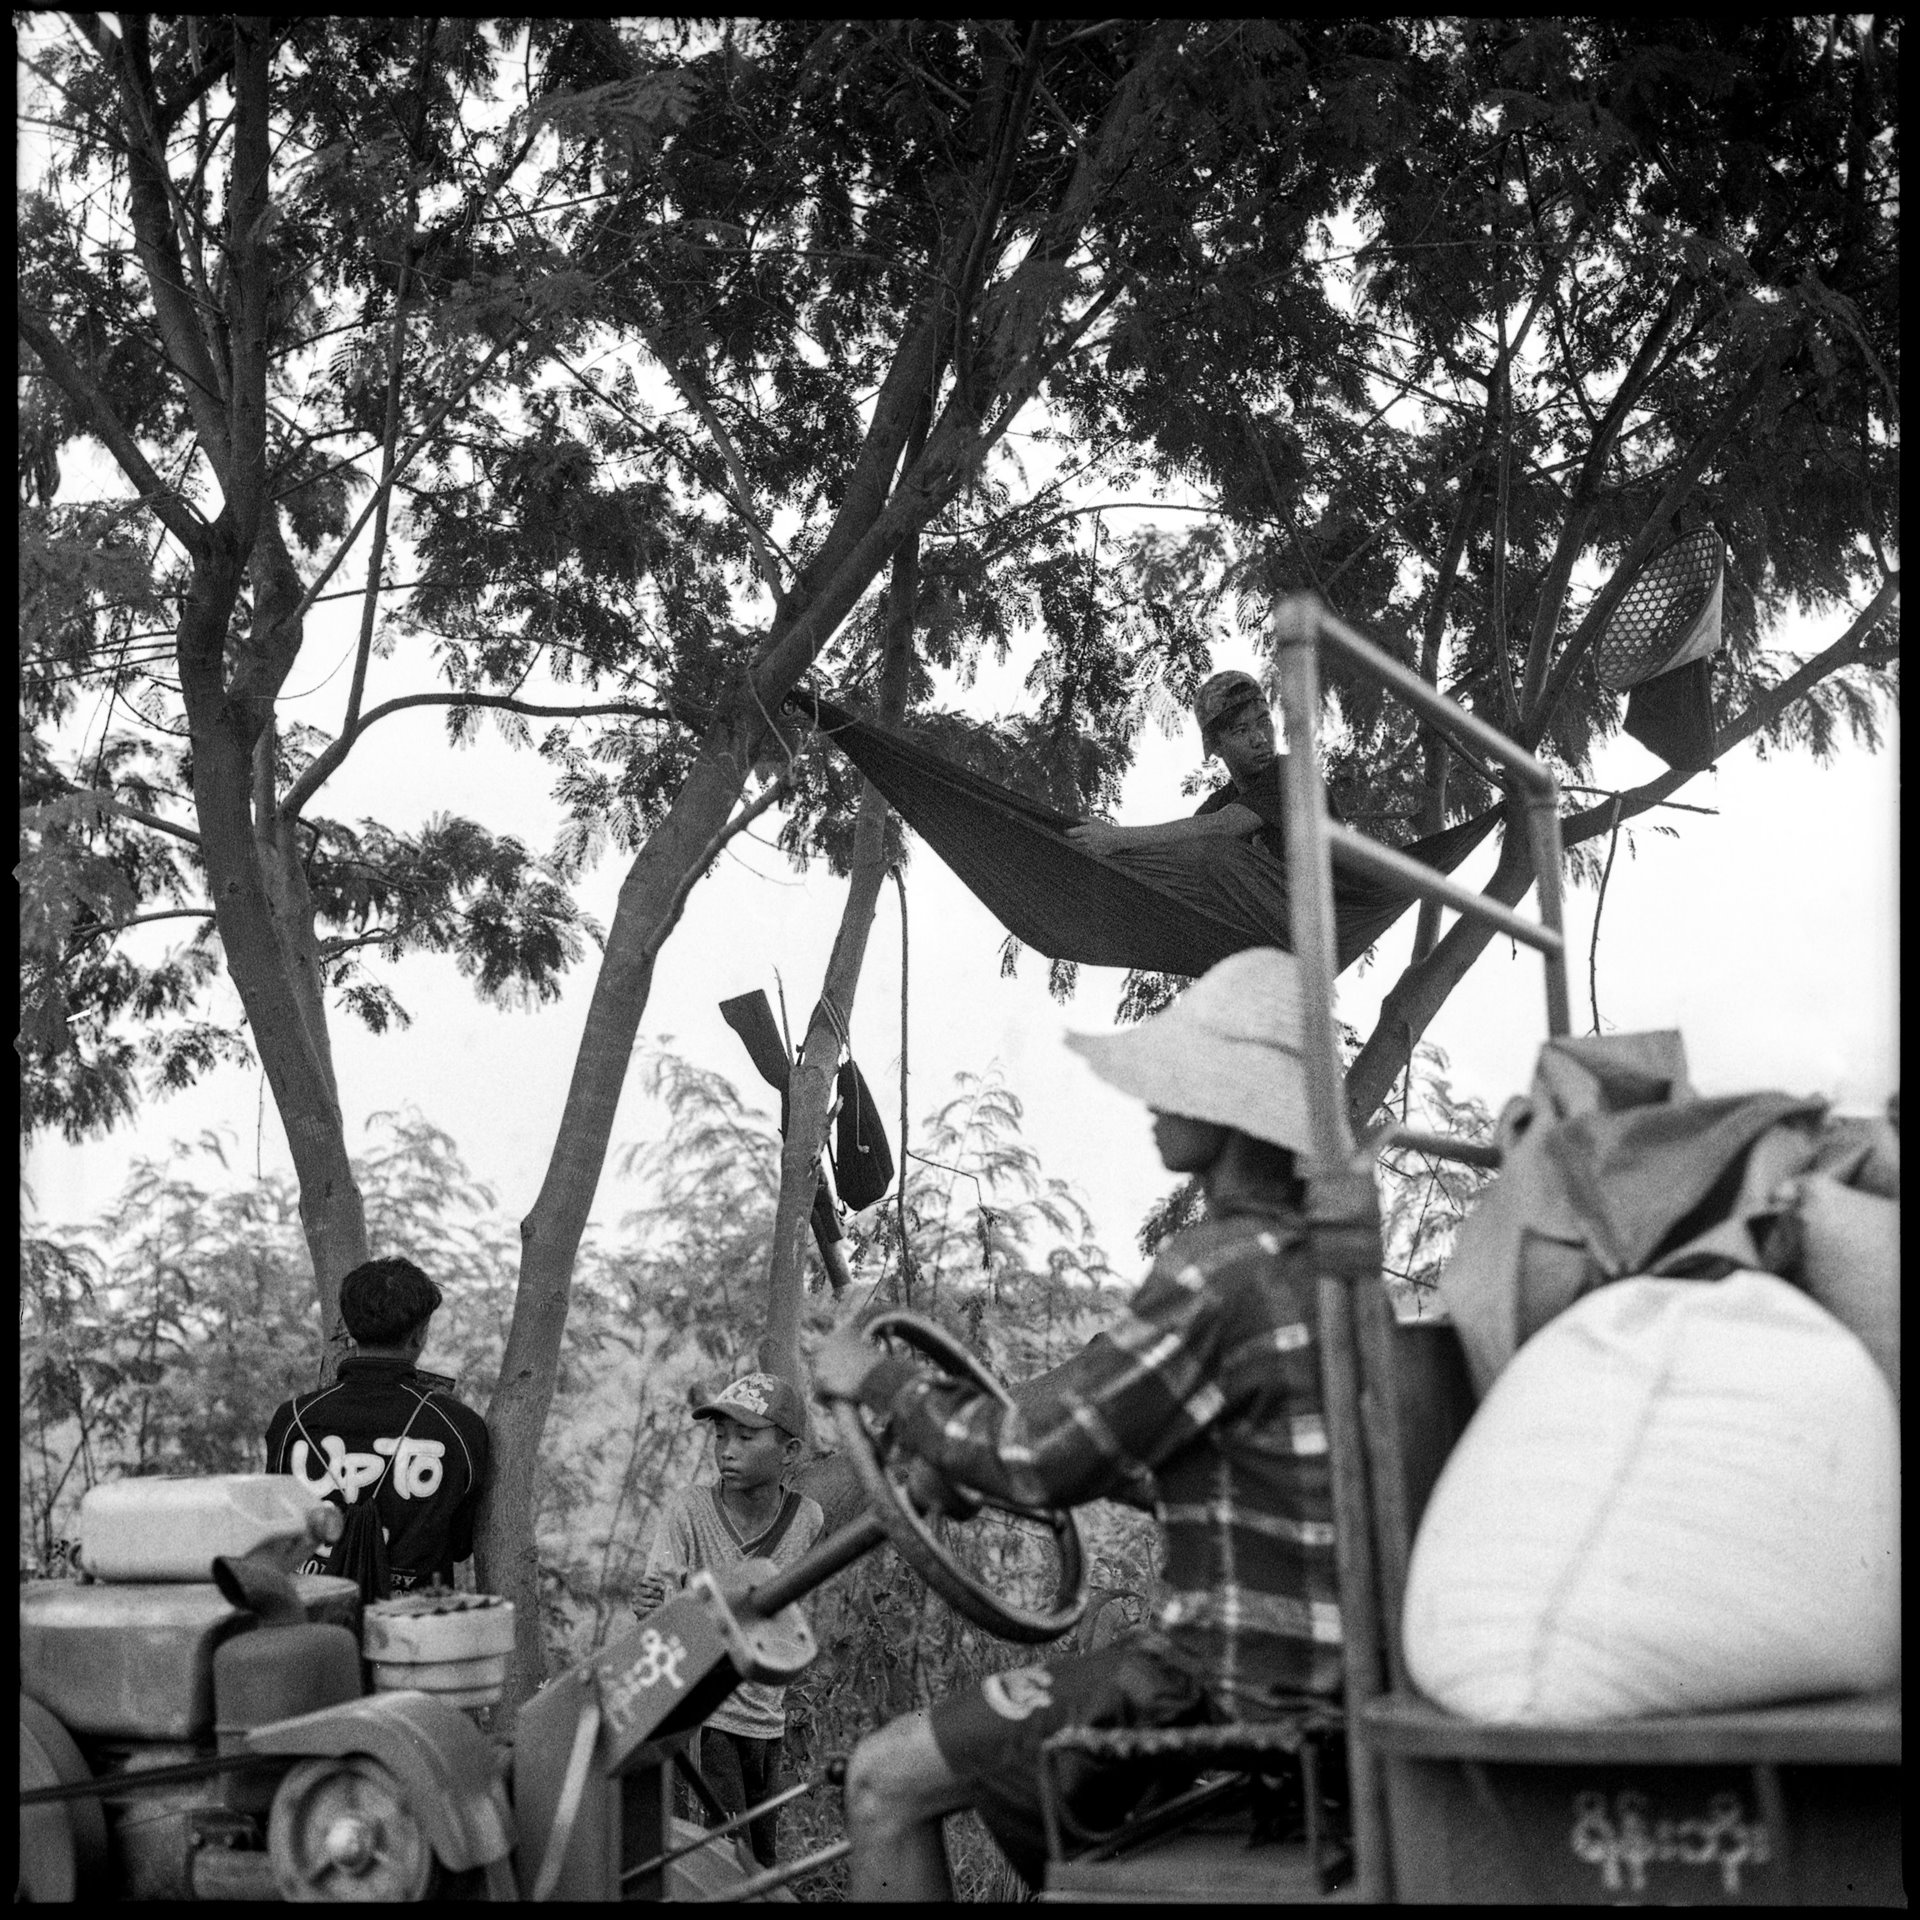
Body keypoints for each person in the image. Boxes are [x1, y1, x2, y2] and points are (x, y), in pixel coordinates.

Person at [815, 947, 1345, 1900]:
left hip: (1224, 1687)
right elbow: (1197, 1463)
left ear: (1225, 1111)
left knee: (883, 1778)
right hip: (1311, 1677)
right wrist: (971, 1459)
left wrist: (878, 1380)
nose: (1153, 1101)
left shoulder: (1218, 1268)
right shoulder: (1317, 1269)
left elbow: (1033, 1458)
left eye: (1175, 1082)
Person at [636, 1372, 826, 1869]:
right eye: (720, 1436)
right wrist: (653, 1603)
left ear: (789, 1453)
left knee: (760, 1857)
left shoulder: (807, 1520)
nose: (727, 1451)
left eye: (745, 1437)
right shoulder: (689, 1511)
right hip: (705, 1715)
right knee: (719, 1859)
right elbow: (657, 1605)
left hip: (767, 1717)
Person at [265, 1256, 490, 1593]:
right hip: (413, 1629)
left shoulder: (292, 1419)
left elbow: (277, 1530)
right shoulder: (459, 1427)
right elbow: (460, 1545)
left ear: (348, 1327)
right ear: (418, 1335)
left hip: (312, 1621)